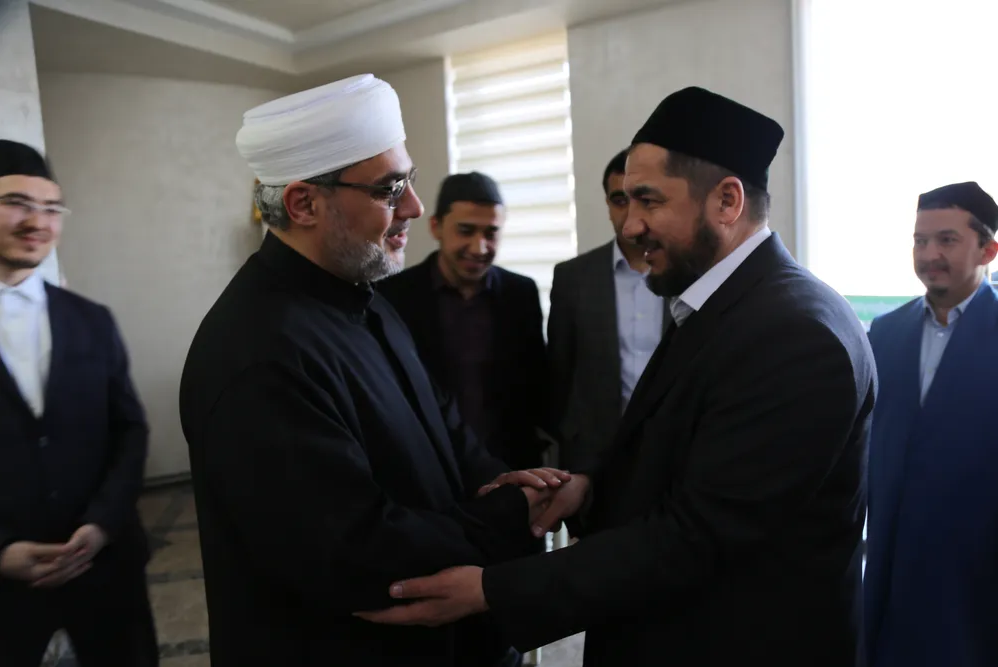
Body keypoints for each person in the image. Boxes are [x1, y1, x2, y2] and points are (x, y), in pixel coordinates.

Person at [357, 87, 876, 667]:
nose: (629, 227)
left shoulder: (795, 333)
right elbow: (677, 457)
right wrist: (589, 488)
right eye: (625, 202)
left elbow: (698, 533)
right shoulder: (718, 301)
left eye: (648, 201)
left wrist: (492, 590)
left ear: (727, 201)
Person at [178, 74, 567, 667]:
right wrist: (512, 514)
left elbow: (444, 425)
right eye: (389, 189)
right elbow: (354, 549)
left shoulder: (364, 293)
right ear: (304, 204)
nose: (413, 207)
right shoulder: (257, 354)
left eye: (407, 180)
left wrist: (504, 481)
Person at [0, 139, 157, 666]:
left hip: (106, 573)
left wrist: (102, 523)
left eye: (51, 208)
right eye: (17, 203)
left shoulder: (91, 319)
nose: (36, 222)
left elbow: (130, 430)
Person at [864, 182, 998, 667]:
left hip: (975, 576)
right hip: (890, 568)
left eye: (947, 240)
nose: (929, 255)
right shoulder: (885, 333)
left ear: (988, 250)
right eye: (920, 241)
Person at [377, 172, 549, 472]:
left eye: (491, 233)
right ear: (436, 226)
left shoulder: (521, 293)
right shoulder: (392, 296)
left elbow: (537, 388)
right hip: (427, 466)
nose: (479, 247)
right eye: (465, 230)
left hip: (511, 467)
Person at [547, 149, 668, 473]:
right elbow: (559, 372)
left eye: (644, 200)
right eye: (619, 200)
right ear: (607, 204)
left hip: (670, 452)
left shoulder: (685, 272)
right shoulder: (573, 278)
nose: (631, 213)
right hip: (592, 456)